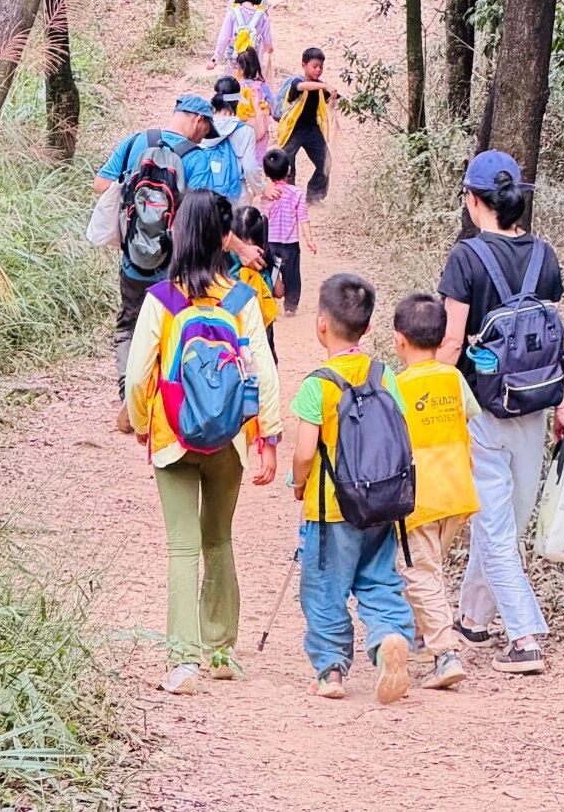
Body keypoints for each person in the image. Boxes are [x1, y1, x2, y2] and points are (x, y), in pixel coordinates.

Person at [124, 191, 281, 694]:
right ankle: (221, 651)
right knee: (218, 538)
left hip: (172, 435)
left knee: (182, 546)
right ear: (225, 237)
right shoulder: (241, 300)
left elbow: (137, 374)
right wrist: (268, 436)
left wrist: (142, 421)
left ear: (177, 232)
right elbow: (263, 372)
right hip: (228, 439)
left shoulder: (161, 299)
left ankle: (183, 661)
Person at [437, 150, 564, 674]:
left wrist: (427, 401)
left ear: (473, 199)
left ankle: (524, 637)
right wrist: (561, 405)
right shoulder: (544, 255)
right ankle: (473, 618)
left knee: (496, 528)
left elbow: (452, 343)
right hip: (534, 405)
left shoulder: (466, 258)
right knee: (503, 523)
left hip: (483, 410)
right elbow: (547, 341)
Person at [290, 272, 415, 703]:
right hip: (381, 503)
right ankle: (389, 638)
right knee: (379, 581)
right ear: (368, 325)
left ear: (322, 323)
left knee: (325, 589)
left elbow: (304, 452)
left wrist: (297, 482)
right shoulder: (384, 375)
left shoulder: (318, 384)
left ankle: (330, 671)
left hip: (331, 510)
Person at [93, 95, 219, 431]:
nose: (203, 136)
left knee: (129, 326)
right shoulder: (197, 158)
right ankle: (165, 397)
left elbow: (100, 184)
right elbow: (201, 216)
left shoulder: (135, 142)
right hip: (175, 266)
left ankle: (128, 394)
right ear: (198, 119)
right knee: (172, 327)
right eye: (206, 129)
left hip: (134, 259)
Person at [392, 291, 480, 691]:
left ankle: (445, 654)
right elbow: (469, 418)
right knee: (429, 568)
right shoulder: (454, 377)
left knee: (420, 571)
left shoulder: (398, 386)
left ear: (399, 339)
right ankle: (418, 636)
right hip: (457, 490)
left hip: (419, 496)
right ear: (444, 339)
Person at [277, 45, 335, 205]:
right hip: (293, 130)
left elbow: (332, 100)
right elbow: (302, 87)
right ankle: (289, 197)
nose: (318, 70)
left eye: (321, 67)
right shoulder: (298, 82)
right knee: (288, 164)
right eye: (314, 66)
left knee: (326, 162)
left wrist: (333, 97)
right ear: (303, 65)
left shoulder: (320, 87)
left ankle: (314, 196)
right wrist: (324, 86)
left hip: (312, 130)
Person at [261, 146, 315, 316]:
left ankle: (269, 301)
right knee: (292, 275)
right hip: (290, 244)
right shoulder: (296, 193)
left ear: (266, 173)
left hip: (270, 242)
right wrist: (309, 239)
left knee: (270, 273)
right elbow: (303, 218)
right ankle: (290, 306)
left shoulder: (267, 194)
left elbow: (264, 219)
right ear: (289, 170)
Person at [231, 202, 280, 361]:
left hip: (237, 336)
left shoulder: (226, 265)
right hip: (263, 337)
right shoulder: (269, 262)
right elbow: (279, 292)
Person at [208, 76, 260, 199]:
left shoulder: (202, 125)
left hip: (205, 194)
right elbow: (249, 167)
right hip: (235, 194)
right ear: (237, 102)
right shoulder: (245, 131)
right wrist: (260, 189)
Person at [209, 0, 274, 75]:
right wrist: (269, 47)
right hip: (254, 59)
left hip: (234, 57)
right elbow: (267, 38)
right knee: (252, 81)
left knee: (233, 80)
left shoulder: (232, 13)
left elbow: (224, 37)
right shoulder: (262, 16)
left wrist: (215, 58)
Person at [234, 45, 273, 152]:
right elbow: (272, 108)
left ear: (241, 68)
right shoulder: (263, 86)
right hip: (260, 130)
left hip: (240, 129)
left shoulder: (236, 86)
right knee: (259, 156)